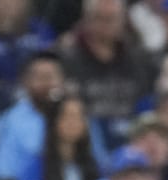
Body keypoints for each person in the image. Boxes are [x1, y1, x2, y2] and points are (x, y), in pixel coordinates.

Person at [56, 0, 154, 128]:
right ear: (86, 19)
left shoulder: (138, 59)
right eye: (100, 18)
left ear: (123, 20)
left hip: (131, 135)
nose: (106, 25)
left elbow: (146, 103)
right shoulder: (66, 58)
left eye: (112, 18)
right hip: (84, 134)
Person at [0, 50, 66, 180]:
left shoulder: (73, 115)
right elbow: (4, 176)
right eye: (41, 78)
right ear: (26, 81)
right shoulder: (11, 121)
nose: (47, 84)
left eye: (51, 77)